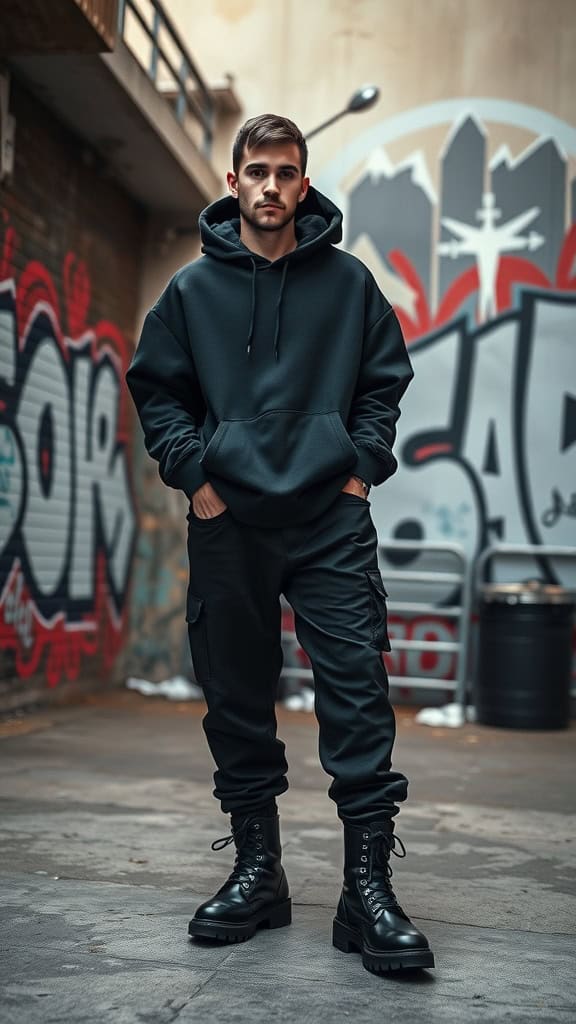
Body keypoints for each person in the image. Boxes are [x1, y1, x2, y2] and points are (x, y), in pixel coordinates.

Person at [126, 114, 435, 976]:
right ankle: (259, 875)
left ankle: (365, 894)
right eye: (255, 171)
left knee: (356, 692)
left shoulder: (349, 285)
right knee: (235, 692)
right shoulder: (190, 293)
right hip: (230, 522)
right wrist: (201, 481)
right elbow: (159, 393)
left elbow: (384, 382)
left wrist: (360, 470)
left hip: (329, 519)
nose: (270, 186)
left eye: (286, 172)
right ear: (233, 184)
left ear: (304, 184)